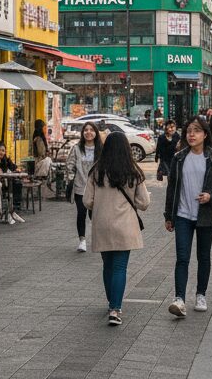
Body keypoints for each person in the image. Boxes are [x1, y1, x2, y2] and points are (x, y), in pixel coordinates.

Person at [163, 115, 212, 317]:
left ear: (205, 134)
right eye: (189, 131)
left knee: (203, 256)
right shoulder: (179, 158)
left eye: (197, 131)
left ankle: (201, 294)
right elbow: (172, 188)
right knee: (182, 257)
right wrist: (168, 215)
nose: (192, 135)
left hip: (205, 215)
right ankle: (179, 299)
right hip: (182, 215)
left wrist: (211, 196)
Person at [84, 130, 151, 326]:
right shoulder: (133, 171)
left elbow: (87, 201)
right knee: (120, 267)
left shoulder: (96, 171)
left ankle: (111, 302)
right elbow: (144, 203)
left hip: (102, 224)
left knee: (108, 265)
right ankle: (115, 308)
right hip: (125, 225)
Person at [65, 121, 100, 252]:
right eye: (86, 130)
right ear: (82, 133)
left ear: (96, 132)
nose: (88, 132)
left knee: (95, 214)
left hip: (97, 188)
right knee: (81, 213)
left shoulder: (101, 149)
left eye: (91, 130)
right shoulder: (76, 148)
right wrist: (71, 178)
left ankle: (97, 238)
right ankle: (82, 240)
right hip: (80, 186)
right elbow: (70, 165)